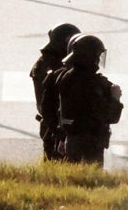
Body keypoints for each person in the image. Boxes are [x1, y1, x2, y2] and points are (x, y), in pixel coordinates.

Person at [52, 34, 123, 165]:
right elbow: (110, 116)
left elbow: (61, 111)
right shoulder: (94, 84)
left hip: (71, 140)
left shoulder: (66, 78)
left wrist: (62, 139)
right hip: (90, 144)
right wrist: (115, 99)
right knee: (90, 181)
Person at [31, 23, 80, 161]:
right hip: (55, 126)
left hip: (55, 124)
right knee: (57, 164)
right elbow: (51, 102)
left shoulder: (46, 62)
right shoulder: (51, 67)